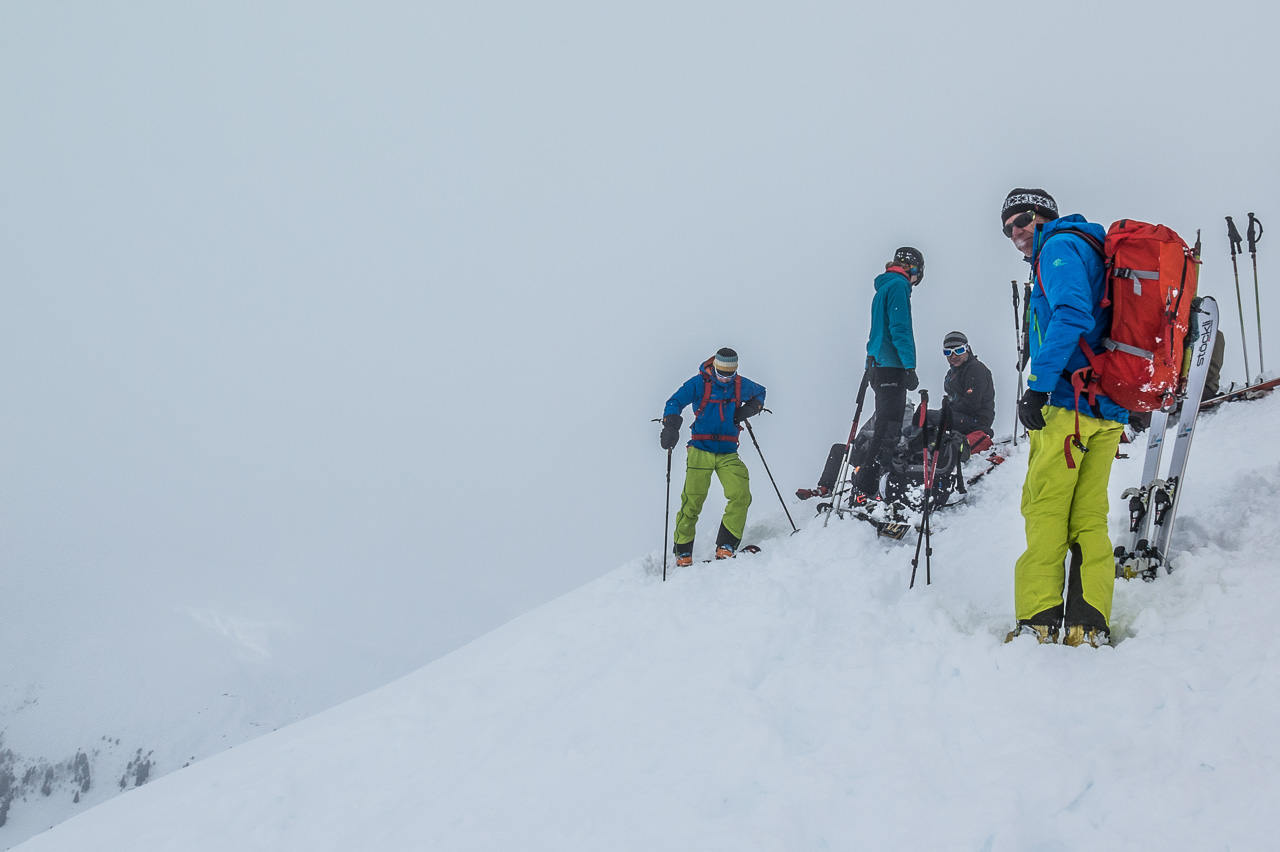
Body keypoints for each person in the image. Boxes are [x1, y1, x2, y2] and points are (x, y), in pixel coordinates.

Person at [1001, 188, 1127, 648]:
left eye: (1022, 220)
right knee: (1089, 515)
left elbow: (1071, 313)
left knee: (1046, 508)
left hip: (1067, 406)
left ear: (1043, 215)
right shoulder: (1090, 247)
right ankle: (1088, 622)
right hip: (1106, 408)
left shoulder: (1057, 247)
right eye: (1008, 228)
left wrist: (1038, 385)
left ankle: (1038, 619)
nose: (1016, 232)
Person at [660, 348, 766, 566]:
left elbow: (760, 393)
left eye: (730, 374)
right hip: (700, 449)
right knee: (692, 501)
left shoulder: (740, 385)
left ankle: (726, 545)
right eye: (721, 373)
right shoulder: (699, 383)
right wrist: (671, 424)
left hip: (728, 451)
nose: (725, 379)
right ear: (714, 367)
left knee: (741, 494)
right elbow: (675, 401)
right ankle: (683, 551)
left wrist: (748, 410)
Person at [854, 247, 923, 498]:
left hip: (877, 365)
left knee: (886, 423)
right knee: (890, 426)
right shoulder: (898, 285)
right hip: (891, 366)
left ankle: (870, 479)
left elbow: (877, 332)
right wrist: (909, 366)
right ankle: (872, 483)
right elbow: (899, 328)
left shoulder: (884, 287)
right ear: (914, 269)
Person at [940, 331, 995, 437]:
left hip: (976, 419)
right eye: (948, 352)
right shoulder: (953, 373)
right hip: (960, 416)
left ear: (967, 349)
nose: (953, 356)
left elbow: (971, 403)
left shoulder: (975, 369)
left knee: (928, 417)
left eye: (959, 351)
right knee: (922, 421)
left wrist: (946, 413)